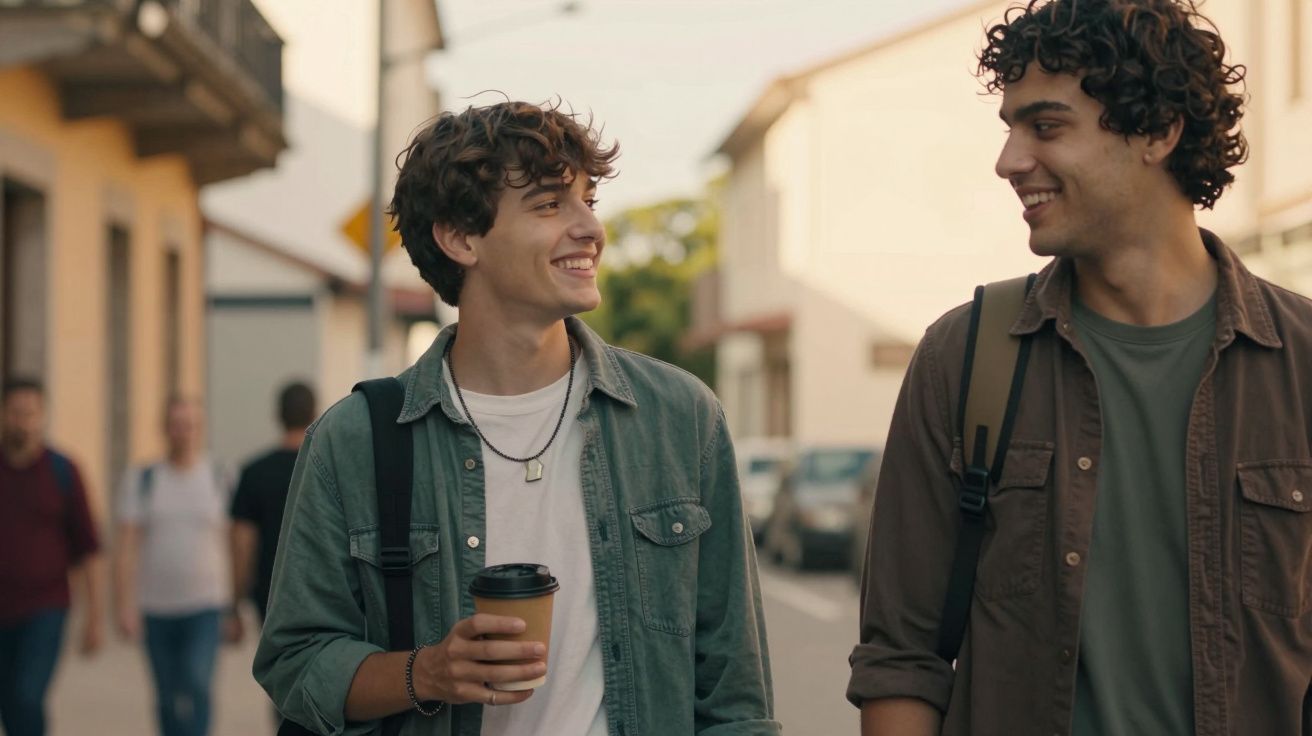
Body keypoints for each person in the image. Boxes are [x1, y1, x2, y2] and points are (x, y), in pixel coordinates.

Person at [848, 1, 1312, 734]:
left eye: (1046, 126)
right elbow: (901, 660)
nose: (1009, 161)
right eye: (1009, 129)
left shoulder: (1302, 366)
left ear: (1157, 131)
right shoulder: (964, 360)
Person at [255, 100, 779, 736]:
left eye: (589, 200)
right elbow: (295, 662)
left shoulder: (680, 417)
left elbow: (735, 698)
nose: (590, 228)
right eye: (550, 204)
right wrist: (428, 672)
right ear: (460, 237)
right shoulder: (354, 441)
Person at [114, 396, 233, 736]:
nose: (184, 433)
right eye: (177, 425)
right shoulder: (143, 479)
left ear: (201, 429)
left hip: (206, 605)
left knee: (197, 684)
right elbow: (125, 547)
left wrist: (235, 604)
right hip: (156, 607)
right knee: (167, 695)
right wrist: (124, 606)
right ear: (165, 429)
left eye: (191, 425)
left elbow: (235, 543)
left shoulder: (219, 476)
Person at [0, 376, 104, 736]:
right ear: (3, 415)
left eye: (29, 413)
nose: (22, 421)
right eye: (15, 413)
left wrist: (94, 617)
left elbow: (89, 549)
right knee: (9, 702)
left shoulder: (62, 471)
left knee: (27, 696)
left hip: (46, 608)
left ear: (42, 416)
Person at [228, 380, 318, 639]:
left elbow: (242, 543)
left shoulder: (254, 472)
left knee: (280, 670)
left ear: (278, 416)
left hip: (270, 593)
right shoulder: (328, 467)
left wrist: (236, 602)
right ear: (314, 414)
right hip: (321, 589)